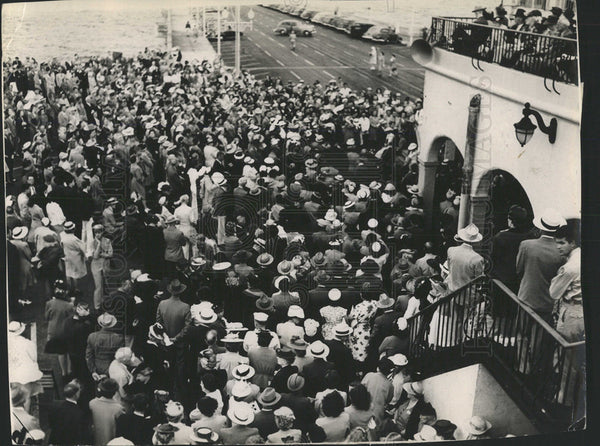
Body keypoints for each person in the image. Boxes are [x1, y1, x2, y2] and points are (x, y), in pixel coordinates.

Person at [517, 208, 566, 322]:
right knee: (540, 334)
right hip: (548, 301)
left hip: (526, 296)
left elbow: (519, 269)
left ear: (540, 228)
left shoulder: (526, 245)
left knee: (522, 331)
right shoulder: (561, 252)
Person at [551, 221, 582, 341]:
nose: (558, 246)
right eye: (557, 243)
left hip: (571, 313)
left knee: (563, 353)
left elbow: (553, 292)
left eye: (562, 243)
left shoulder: (569, 267)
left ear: (572, 243)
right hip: (581, 312)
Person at [8, 322, 43, 413]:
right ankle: (25, 416)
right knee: (26, 396)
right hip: (24, 375)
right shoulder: (27, 343)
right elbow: (34, 358)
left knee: (12, 395)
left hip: (11, 374)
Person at [445, 223, 485, 292]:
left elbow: (449, 268)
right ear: (476, 241)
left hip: (451, 289)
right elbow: (478, 280)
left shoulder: (451, 250)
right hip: (466, 294)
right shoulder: (478, 259)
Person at [89, 378, 125, 446]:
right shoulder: (119, 408)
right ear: (114, 392)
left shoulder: (92, 404)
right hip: (111, 442)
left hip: (95, 441)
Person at [361, 358, 394, 422]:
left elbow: (360, 390)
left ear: (378, 368)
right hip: (377, 415)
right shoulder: (389, 385)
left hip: (363, 410)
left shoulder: (369, 375)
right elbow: (388, 399)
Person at [90, 223, 113, 311]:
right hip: (96, 266)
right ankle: (97, 306)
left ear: (102, 232)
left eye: (99, 232)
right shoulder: (92, 242)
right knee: (98, 286)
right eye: (96, 233)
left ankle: (105, 301)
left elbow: (111, 254)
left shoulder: (107, 240)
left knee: (106, 284)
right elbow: (95, 256)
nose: (97, 234)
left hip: (105, 264)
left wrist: (103, 254)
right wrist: (99, 245)